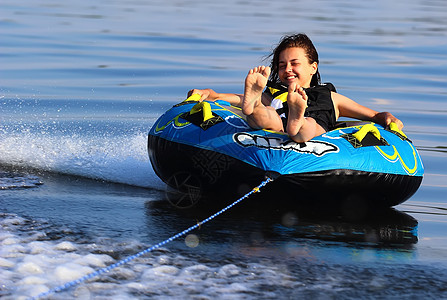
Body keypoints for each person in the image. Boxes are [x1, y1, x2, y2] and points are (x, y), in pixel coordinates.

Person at [187, 33, 403, 143]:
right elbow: (234, 97)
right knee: (266, 113)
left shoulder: (331, 97)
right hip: (279, 124)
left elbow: (373, 115)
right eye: (282, 66)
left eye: (294, 63)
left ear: (313, 67)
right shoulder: (273, 93)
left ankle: (297, 119)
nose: (287, 69)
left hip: (314, 127)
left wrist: (388, 118)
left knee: (309, 125)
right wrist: (211, 95)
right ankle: (255, 109)